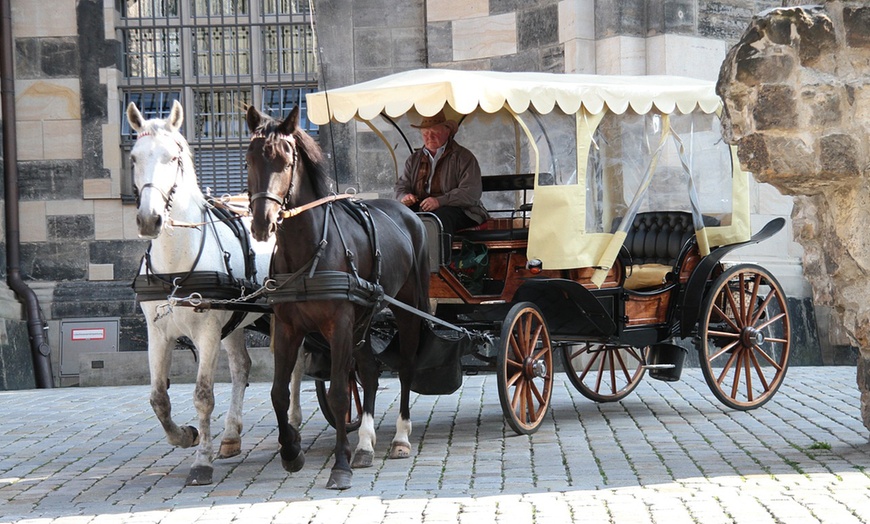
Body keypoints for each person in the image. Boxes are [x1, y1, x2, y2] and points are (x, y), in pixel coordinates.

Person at [395, 110, 488, 235]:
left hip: (462, 211)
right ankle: (407, 254)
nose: (430, 137)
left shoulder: (463, 157)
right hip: (423, 209)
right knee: (398, 217)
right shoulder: (414, 159)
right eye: (425, 134)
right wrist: (405, 197)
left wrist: (440, 201)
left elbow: (471, 192)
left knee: (439, 219)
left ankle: (438, 255)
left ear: (447, 132)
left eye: (434, 132)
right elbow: (401, 186)